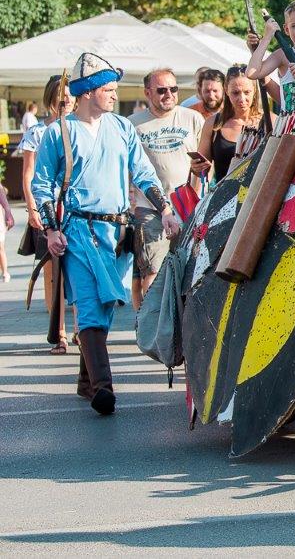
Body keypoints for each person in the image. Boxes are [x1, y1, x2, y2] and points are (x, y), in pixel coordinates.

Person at [31, 52, 182, 415]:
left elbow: (144, 173)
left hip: (117, 231)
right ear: (87, 92)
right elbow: (42, 185)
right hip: (77, 231)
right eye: (108, 89)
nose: (115, 94)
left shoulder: (122, 128)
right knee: (88, 303)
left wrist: (165, 209)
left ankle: (86, 381)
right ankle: (103, 388)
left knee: (106, 304)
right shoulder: (58, 133)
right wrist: (50, 229)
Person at [127, 68, 204, 308]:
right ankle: (152, 323)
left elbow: (205, 159)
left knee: (188, 268)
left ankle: (177, 322)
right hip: (148, 207)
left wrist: (203, 171)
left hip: (188, 206)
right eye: (161, 90)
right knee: (153, 270)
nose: (168, 94)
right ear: (147, 93)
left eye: (173, 88)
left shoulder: (193, 118)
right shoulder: (133, 124)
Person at [19, 75, 76, 351]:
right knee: (52, 272)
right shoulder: (38, 132)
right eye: (60, 98)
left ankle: (81, 329)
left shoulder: (79, 129)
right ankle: (60, 331)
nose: (65, 102)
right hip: (47, 208)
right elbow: (28, 173)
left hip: (75, 209)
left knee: (79, 270)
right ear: (50, 99)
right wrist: (33, 208)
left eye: (69, 97)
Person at [196, 65, 272, 184]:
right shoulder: (213, 124)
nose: (242, 99)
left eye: (247, 92)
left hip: (260, 193)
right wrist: (197, 167)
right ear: (226, 91)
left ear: (254, 90)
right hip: (224, 194)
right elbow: (202, 170)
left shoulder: (270, 120)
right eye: (235, 93)